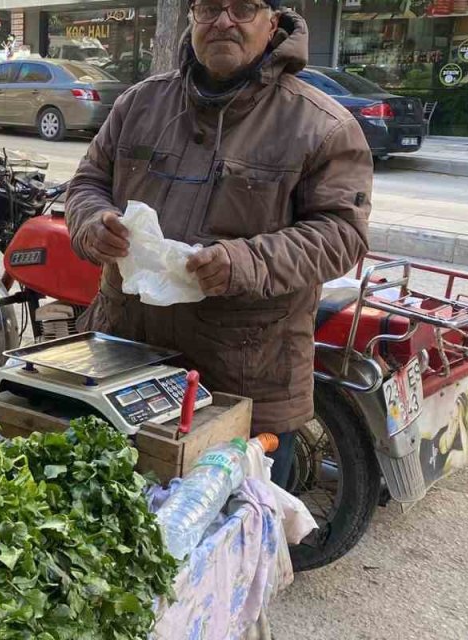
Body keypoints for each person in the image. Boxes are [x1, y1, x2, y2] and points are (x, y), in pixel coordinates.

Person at [66, 0, 372, 488]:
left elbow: (342, 235)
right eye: (209, 7)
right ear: (191, 16)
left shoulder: (322, 126)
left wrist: (243, 262)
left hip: (245, 379)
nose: (223, 21)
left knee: (236, 547)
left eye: (243, 8)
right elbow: (86, 183)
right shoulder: (140, 104)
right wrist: (91, 223)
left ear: (272, 22)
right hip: (127, 363)